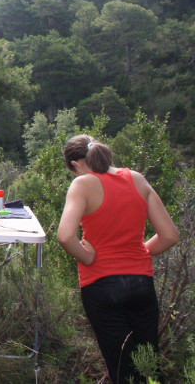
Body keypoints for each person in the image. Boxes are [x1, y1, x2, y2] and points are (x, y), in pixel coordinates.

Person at [58, 135, 178, 384]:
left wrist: (88, 257)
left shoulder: (82, 185)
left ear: (76, 164)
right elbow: (169, 236)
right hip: (141, 283)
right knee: (148, 365)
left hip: (101, 286)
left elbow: (65, 236)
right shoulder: (137, 178)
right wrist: (139, 251)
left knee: (122, 368)